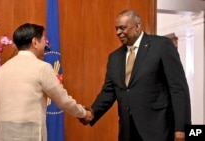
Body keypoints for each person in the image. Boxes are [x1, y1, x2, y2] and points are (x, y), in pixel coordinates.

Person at [80, 9, 191, 141]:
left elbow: (178, 88)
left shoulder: (161, 46)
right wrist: (92, 112)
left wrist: (181, 128)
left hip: (158, 129)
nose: (118, 33)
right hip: (128, 131)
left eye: (122, 28)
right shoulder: (114, 57)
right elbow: (108, 92)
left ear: (137, 26)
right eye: (116, 29)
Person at [0, 23, 93, 141]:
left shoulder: (1, 71)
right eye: (44, 39)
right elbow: (63, 101)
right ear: (35, 42)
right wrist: (84, 113)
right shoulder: (42, 68)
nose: (46, 43)